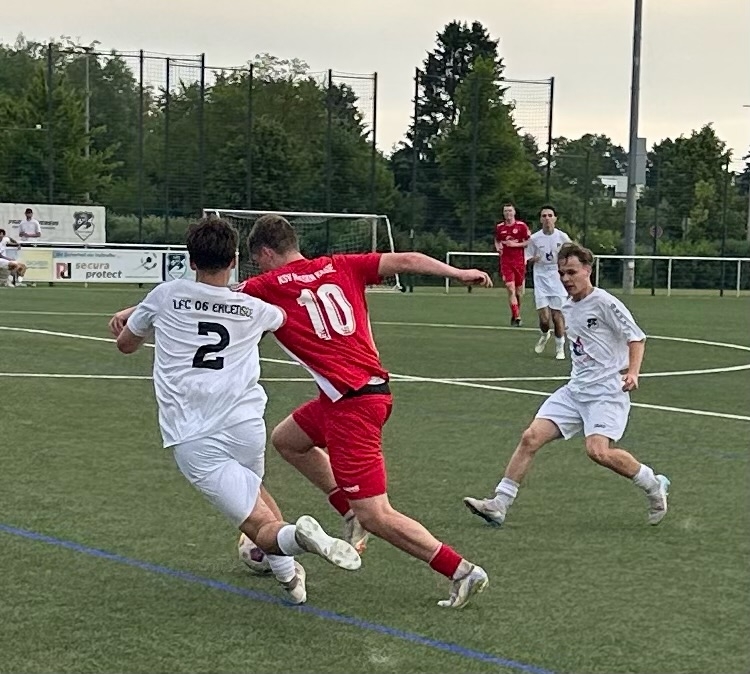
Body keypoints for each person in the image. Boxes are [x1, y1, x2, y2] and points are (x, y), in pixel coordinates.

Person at [236, 214, 492, 609]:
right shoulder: (341, 265)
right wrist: (458, 273)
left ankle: (460, 570)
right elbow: (407, 259)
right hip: (360, 396)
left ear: (266, 253)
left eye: (258, 260)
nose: (259, 267)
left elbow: (214, 301)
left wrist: (148, 312)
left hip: (351, 407)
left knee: (377, 514)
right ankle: (347, 510)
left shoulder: (266, 285)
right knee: (287, 440)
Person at [107, 218, 361, 605]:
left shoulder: (164, 295)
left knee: (258, 525)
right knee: (255, 495)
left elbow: (126, 345)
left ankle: (298, 538)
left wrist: (129, 323)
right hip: (245, 426)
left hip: (194, 434)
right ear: (235, 260)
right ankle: (291, 580)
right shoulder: (255, 308)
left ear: (191, 261)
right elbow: (286, 316)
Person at [464, 242, 670, 528]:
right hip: (575, 391)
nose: (565, 279)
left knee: (598, 451)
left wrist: (633, 373)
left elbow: (637, 337)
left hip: (607, 391)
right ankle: (499, 504)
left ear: (588, 270)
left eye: (571, 272)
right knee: (530, 437)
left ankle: (653, 483)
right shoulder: (567, 306)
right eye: (562, 273)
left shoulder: (605, 302)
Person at [526, 206, 571, 360]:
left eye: (550, 215)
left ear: (555, 218)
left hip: (557, 277)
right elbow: (527, 257)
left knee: (557, 315)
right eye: (544, 216)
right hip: (540, 277)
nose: (547, 218)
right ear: (540, 219)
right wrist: (533, 259)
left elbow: (571, 253)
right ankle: (544, 334)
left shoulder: (562, 237)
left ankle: (560, 348)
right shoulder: (534, 238)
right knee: (544, 319)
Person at [494, 203, 531, 326]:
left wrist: (515, 245)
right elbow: (497, 239)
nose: (508, 213)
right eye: (505, 211)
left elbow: (528, 242)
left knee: (519, 292)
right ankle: (517, 317)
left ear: (514, 212)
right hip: (506, 261)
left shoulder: (521, 226)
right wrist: (498, 247)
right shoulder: (500, 227)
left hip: (519, 262)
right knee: (510, 288)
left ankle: (515, 312)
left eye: (510, 211)